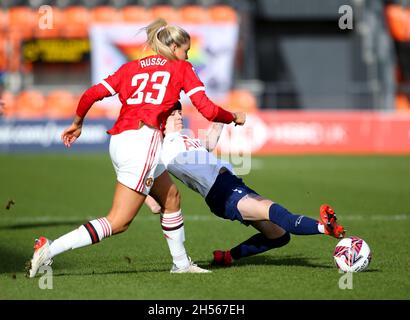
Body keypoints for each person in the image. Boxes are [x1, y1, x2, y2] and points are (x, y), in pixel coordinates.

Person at [27, 18, 246, 277]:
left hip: (119, 141)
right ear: (174, 47)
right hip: (144, 143)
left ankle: (181, 264)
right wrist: (232, 117)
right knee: (118, 222)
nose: (187, 55)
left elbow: (91, 94)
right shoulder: (182, 68)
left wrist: (77, 123)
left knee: (171, 198)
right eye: (186, 50)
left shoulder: (131, 67)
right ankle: (49, 249)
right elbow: (207, 109)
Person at [145, 105, 346, 267]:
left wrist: (223, 118)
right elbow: (140, 176)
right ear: (163, 120)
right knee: (276, 213)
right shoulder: (161, 149)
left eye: (180, 111)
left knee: (279, 236)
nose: (179, 115)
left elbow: (208, 144)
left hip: (232, 185)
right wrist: (151, 200)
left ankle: (227, 257)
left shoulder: (185, 138)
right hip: (222, 193)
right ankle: (325, 227)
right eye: (173, 113)